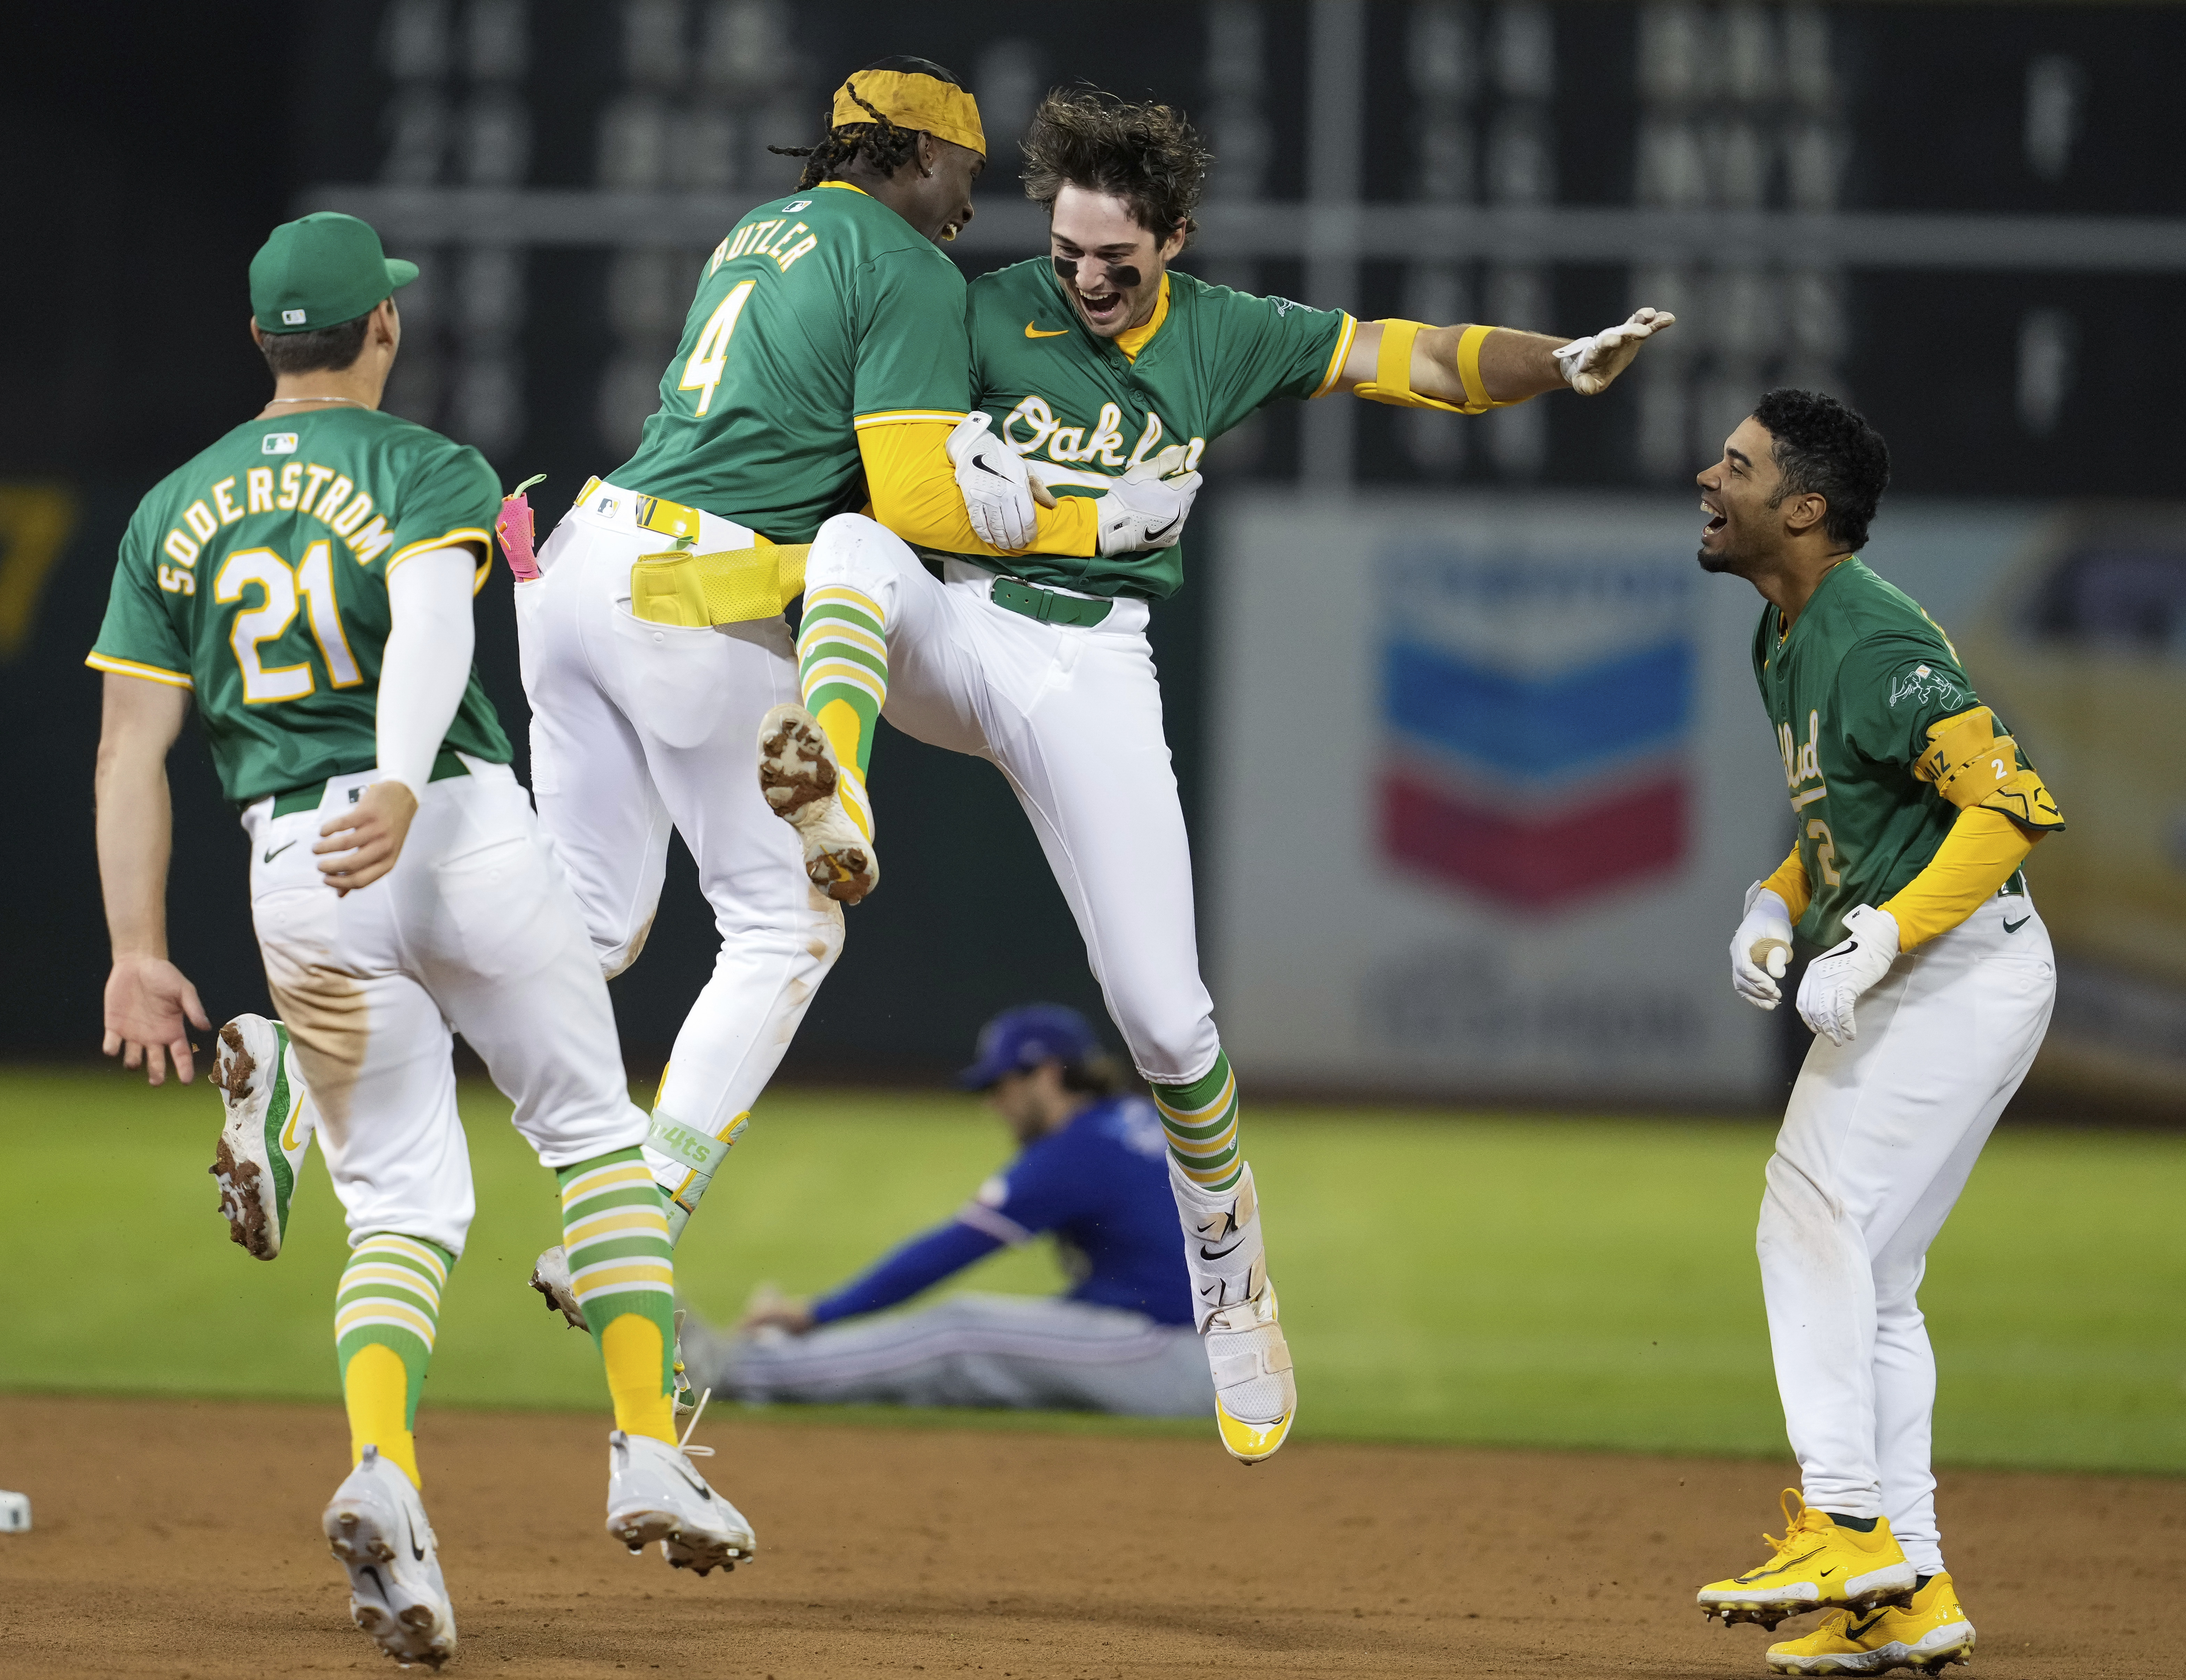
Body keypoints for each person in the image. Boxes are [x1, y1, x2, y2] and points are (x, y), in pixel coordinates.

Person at [758, 88, 1676, 1464]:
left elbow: (1410, 361)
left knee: (1164, 1021)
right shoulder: (975, 304)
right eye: (1064, 249)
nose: (1080, 278)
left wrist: (1551, 360)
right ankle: (838, 780)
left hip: (1094, 669)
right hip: (962, 630)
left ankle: (1233, 1277)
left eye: (1112, 258)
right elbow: (858, 445)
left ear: (1173, 239)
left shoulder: (1231, 335)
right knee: (850, 556)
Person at [87, 213, 753, 1667]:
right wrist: (397, 778)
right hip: (445, 825)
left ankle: (383, 1468)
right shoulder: (425, 464)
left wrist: (137, 947)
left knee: (397, 1207)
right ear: (377, 331)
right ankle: (646, 1443)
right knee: (590, 1141)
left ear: (261, 339)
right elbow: (432, 624)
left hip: (293, 873)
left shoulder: (169, 509)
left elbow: (128, 751)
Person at [508, 58, 1186, 1247]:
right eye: (964, 172)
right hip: (688, 591)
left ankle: (317, 1048)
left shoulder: (761, 227)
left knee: (584, 926)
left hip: (576, 558)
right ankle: (637, 1214)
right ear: (918, 156)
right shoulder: (904, 262)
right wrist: (1085, 518)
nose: (969, 204)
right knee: (784, 926)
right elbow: (913, 500)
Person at [1689, 390, 2063, 1677]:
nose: (1706, 475)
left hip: (1957, 976)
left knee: (1802, 1219)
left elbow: (2006, 809)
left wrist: (1884, 934)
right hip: (1932, 973)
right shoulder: (1782, 633)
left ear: (1803, 508)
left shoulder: (1864, 636)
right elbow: (1846, 819)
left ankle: (1841, 1523)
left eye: (1733, 466)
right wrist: (1775, 901)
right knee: (1873, 1282)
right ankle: (1908, 1589)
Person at [543, 1005, 1210, 1416]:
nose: (993, 1104)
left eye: (1002, 1085)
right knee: (973, 1360)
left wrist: (816, 1313)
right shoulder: (1131, 1123)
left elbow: (949, 1250)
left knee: (961, 1330)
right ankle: (801, 1370)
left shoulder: (1078, 1149)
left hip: (1167, 1354)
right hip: (1204, 1350)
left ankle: (734, 1372)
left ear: (1046, 1075)